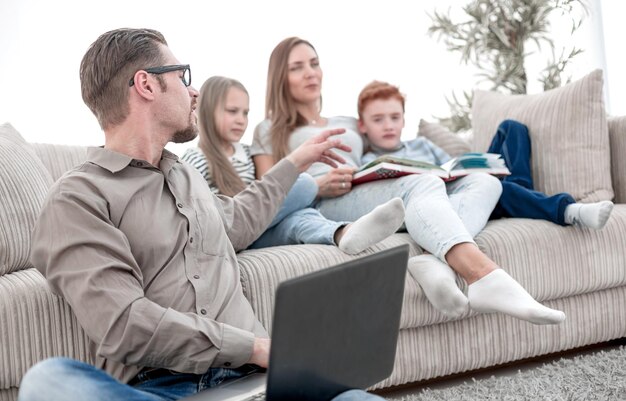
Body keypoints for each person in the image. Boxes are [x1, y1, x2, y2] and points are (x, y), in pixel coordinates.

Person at [18, 28, 386, 401]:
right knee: (49, 382)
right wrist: (255, 347)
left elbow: (239, 219)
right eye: (182, 77)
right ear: (146, 85)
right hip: (165, 389)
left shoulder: (187, 177)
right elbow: (124, 324)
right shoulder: (78, 197)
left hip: (262, 384)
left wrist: (293, 164)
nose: (194, 92)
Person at [251, 36, 566, 324]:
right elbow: (269, 196)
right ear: (281, 77)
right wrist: (317, 185)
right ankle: (484, 275)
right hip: (325, 201)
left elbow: (389, 152)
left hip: (363, 190)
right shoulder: (269, 129)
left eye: (314, 63)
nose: (310, 73)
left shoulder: (348, 121)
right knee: (422, 184)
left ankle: (434, 261)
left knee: (485, 183)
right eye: (297, 68)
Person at [180, 75, 405, 253]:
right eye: (232, 111)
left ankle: (344, 233)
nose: (241, 119)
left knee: (299, 220)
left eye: (246, 113)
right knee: (305, 183)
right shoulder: (195, 159)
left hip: (260, 231)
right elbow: (203, 214)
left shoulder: (248, 154)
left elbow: (267, 196)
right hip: (231, 231)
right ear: (207, 111)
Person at [487, 119, 614, 229]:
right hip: (472, 198)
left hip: (475, 181)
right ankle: (569, 211)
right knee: (496, 189)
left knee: (512, 127)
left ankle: (521, 193)